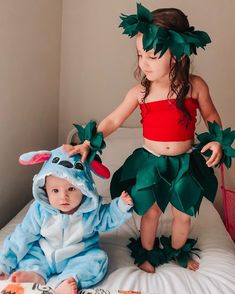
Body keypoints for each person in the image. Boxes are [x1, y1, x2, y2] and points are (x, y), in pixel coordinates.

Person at [63, 4, 235, 273]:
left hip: (184, 164)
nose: (143, 62)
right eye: (139, 54)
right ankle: (148, 252)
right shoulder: (140, 92)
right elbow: (113, 120)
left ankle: (178, 251)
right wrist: (88, 141)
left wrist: (215, 140)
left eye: (151, 56)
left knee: (183, 215)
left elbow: (212, 114)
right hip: (151, 163)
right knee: (150, 212)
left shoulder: (195, 86)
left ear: (178, 54)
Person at [0, 146, 133, 293]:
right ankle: (35, 275)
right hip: (44, 253)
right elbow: (22, 236)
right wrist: (4, 264)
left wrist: (120, 206)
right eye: (55, 191)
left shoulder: (90, 211)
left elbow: (108, 217)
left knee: (97, 260)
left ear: (84, 189)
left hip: (78, 255)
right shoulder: (39, 210)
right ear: (45, 190)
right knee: (29, 255)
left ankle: (68, 280)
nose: (63, 197)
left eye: (71, 189)